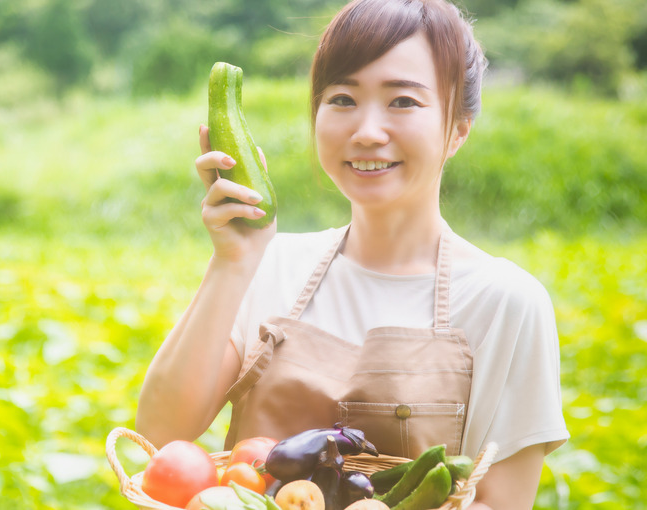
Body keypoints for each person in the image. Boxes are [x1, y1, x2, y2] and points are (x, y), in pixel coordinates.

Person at [135, 0, 569, 507]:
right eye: (342, 98)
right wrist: (234, 261)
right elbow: (162, 439)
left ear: (459, 128)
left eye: (403, 101)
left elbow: (501, 501)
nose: (366, 131)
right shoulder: (271, 265)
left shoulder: (505, 301)